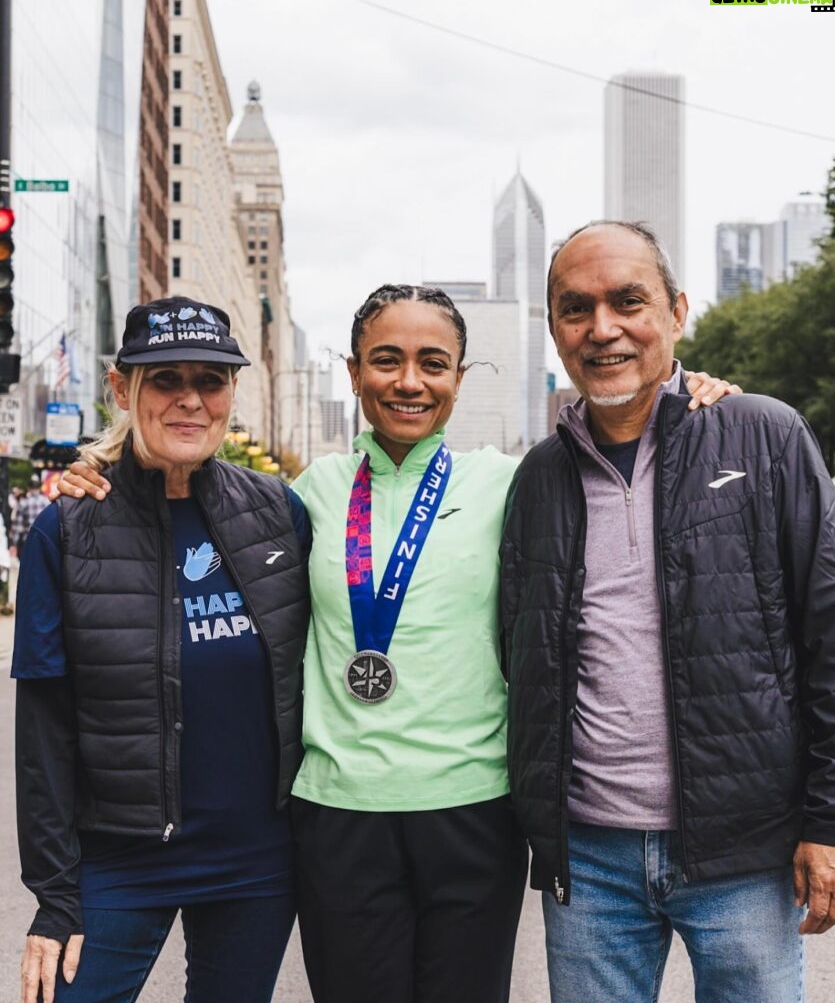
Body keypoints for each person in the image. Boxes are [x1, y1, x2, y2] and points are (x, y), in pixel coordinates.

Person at [57, 283, 733, 1003]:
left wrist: (691, 395)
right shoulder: (304, 495)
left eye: (432, 363)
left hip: (475, 810)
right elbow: (186, 505)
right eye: (386, 360)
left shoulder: (516, 482)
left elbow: (624, 462)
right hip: (337, 813)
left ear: (457, 380)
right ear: (354, 372)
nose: (409, 382)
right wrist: (100, 473)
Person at [500, 220, 835, 1003]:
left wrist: (825, 818)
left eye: (628, 301)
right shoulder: (537, 477)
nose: (602, 328)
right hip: (587, 861)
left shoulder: (762, 434)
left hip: (745, 850)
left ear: (676, 312)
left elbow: (826, 636)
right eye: (575, 308)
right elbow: (513, 650)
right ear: (553, 328)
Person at [14, 296, 310, 1003]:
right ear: (123, 389)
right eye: (165, 379)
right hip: (118, 858)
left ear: (231, 393)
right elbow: (43, 731)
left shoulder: (279, 513)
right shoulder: (68, 532)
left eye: (209, 380)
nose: (190, 400)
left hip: (255, 862)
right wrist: (55, 897)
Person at [9, 473, 49, 557]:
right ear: (39, 487)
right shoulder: (46, 502)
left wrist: (14, 543)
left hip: (28, 538)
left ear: (29, 488)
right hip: (44, 539)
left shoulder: (24, 503)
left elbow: (17, 525)